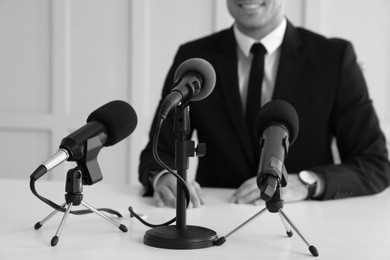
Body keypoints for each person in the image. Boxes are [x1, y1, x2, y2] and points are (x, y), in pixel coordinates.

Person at [138, 0, 390, 208]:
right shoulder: (195, 58)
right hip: (216, 218)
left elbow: (375, 164)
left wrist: (307, 183)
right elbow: (157, 153)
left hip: (301, 221)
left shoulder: (333, 57)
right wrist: (163, 178)